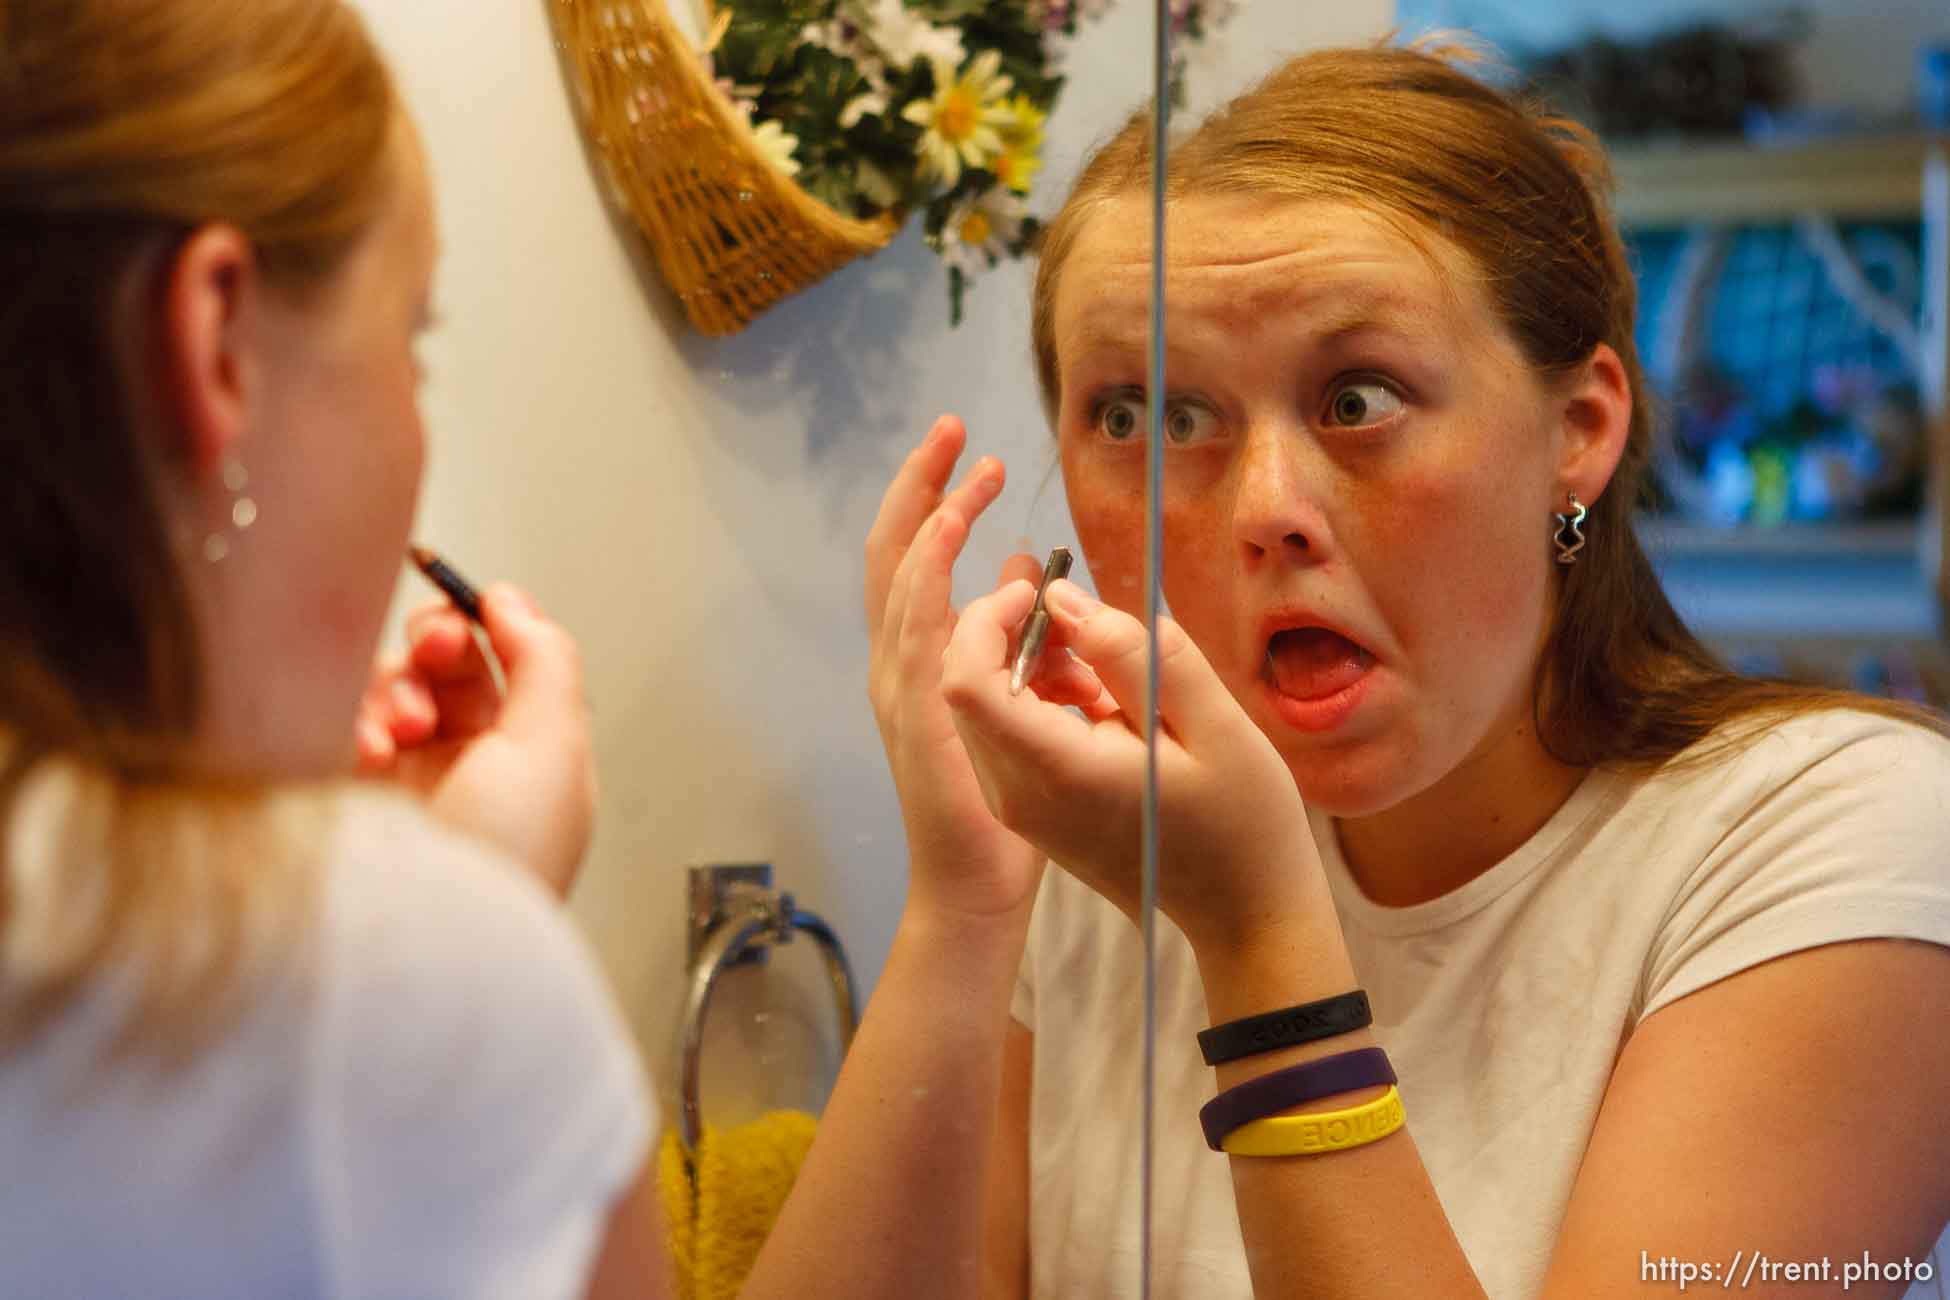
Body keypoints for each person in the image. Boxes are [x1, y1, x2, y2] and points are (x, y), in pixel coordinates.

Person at [854, 40, 1950, 1300]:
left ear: (1581, 428)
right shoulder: (1106, 858)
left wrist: (1260, 935)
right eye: (1148, 418)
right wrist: (963, 905)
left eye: (1359, 397)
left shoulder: (1851, 841)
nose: (1269, 509)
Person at [0, 2, 669, 1295]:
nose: (414, 423)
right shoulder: (403, 974)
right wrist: (441, 925)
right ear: (216, 344)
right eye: (409, 338)